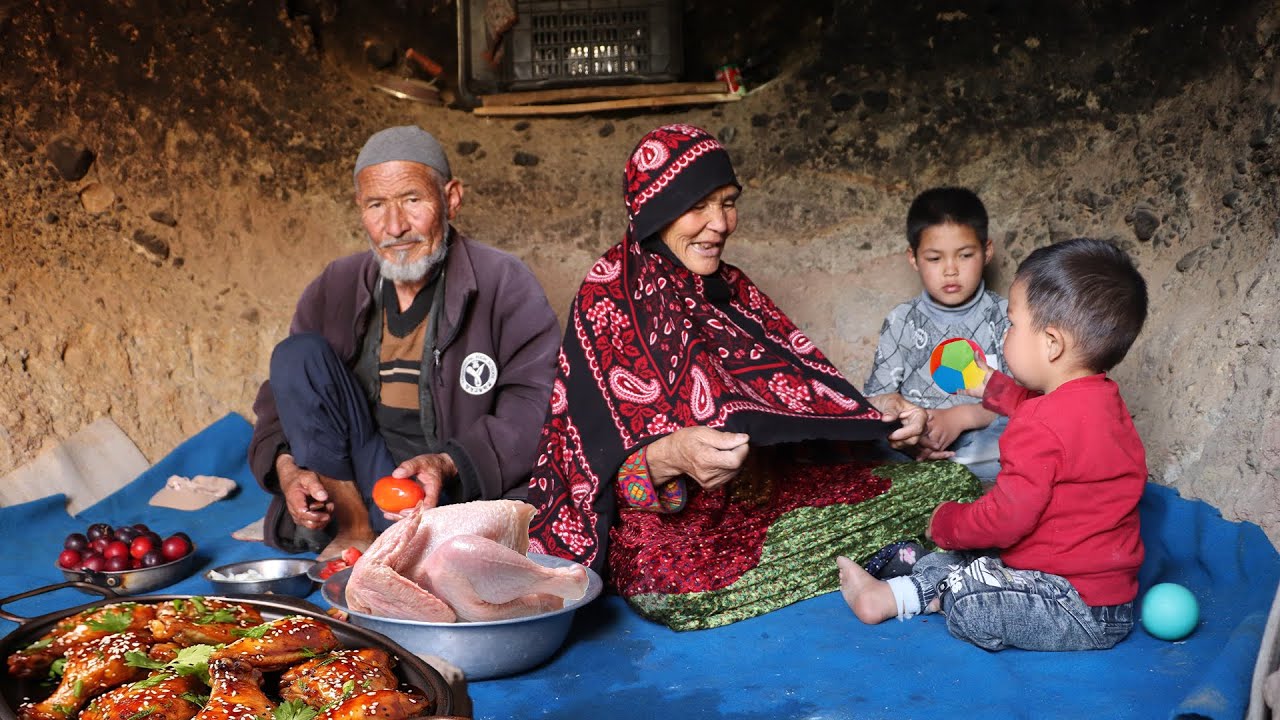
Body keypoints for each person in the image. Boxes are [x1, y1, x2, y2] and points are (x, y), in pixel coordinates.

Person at [526, 124, 982, 631]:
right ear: (654, 206)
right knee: (677, 584)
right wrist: (672, 455)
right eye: (698, 206)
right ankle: (895, 561)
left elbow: (794, 397)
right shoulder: (607, 300)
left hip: (762, 487)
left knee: (952, 482)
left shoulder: (732, 289)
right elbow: (587, 470)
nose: (719, 224)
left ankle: (889, 564)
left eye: (728, 202)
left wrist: (877, 419)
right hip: (667, 528)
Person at [249, 125, 560, 559]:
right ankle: (355, 530)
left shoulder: (503, 283)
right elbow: (284, 399)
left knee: (456, 543)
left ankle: (403, 540)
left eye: (413, 200)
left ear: (450, 198)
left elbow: (537, 404)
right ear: (361, 209)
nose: (395, 226)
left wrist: (448, 463)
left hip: (448, 490)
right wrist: (287, 468)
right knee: (296, 357)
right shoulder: (335, 286)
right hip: (354, 480)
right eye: (377, 205)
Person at [838, 238, 1148, 652]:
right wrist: (988, 383)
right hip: (1106, 597)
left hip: (1071, 606)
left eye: (1013, 323)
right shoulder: (1104, 399)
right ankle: (886, 597)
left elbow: (1006, 520)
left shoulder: (1041, 425)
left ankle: (919, 589)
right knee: (969, 563)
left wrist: (948, 523)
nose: (1006, 333)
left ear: (1052, 344)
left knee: (973, 587)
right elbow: (1039, 414)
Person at [863, 187, 1010, 481]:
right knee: (865, 441)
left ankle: (957, 474)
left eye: (965, 255)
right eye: (934, 259)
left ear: (987, 252)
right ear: (914, 258)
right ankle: (929, 467)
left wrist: (962, 417)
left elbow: (1021, 399)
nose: (950, 270)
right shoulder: (901, 320)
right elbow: (880, 398)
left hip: (981, 437)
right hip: (916, 443)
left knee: (1023, 436)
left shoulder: (1006, 316)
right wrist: (909, 432)